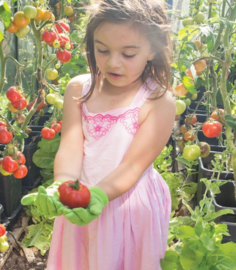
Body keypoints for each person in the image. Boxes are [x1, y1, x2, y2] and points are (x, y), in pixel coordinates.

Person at [23, 0, 175, 269]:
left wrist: (99, 196)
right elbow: (71, 145)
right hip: (81, 202)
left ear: (153, 49)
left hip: (128, 208)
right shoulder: (78, 89)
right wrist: (64, 185)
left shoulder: (157, 101)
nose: (113, 62)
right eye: (102, 50)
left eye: (128, 54)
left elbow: (133, 165)